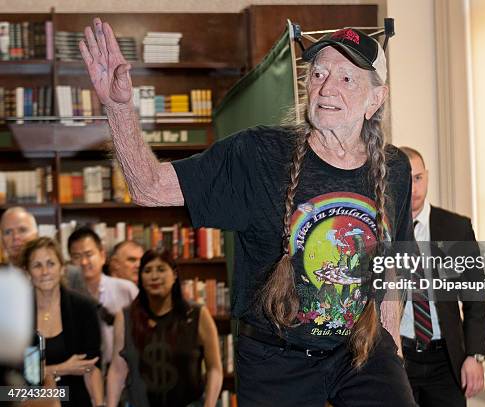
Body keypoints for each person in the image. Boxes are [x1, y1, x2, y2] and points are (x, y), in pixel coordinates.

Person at [80, 18, 416, 406]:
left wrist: (392, 354)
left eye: (346, 79)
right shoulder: (258, 156)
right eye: (319, 73)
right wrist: (119, 107)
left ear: (376, 99)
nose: (326, 87)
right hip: (276, 360)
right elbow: (148, 187)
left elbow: (392, 268)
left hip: (360, 350)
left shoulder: (395, 169)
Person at [398, 147, 485, 406]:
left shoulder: (456, 228)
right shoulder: (381, 230)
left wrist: (475, 355)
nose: (413, 188)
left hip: (446, 360)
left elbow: (475, 298)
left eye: (418, 178)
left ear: (427, 176)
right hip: (397, 359)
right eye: (405, 179)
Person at [106, 249, 222, 407]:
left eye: (161, 269)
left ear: (174, 275)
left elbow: (214, 368)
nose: (154, 276)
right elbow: (118, 368)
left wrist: (209, 404)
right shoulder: (126, 317)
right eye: (147, 270)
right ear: (140, 277)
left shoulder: (197, 315)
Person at [20, 237, 104, 406]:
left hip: (77, 400)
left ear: (62, 268)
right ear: (27, 272)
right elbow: (11, 388)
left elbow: (91, 367)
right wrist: (62, 368)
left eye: (51, 263)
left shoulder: (84, 308)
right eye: (37, 265)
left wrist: (100, 404)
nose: (45, 272)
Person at [67, 226, 138, 367]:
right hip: (83, 372)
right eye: (76, 257)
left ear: (102, 256)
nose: (84, 262)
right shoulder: (67, 298)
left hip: (123, 371)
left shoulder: (126, 289)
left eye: (89, 254)